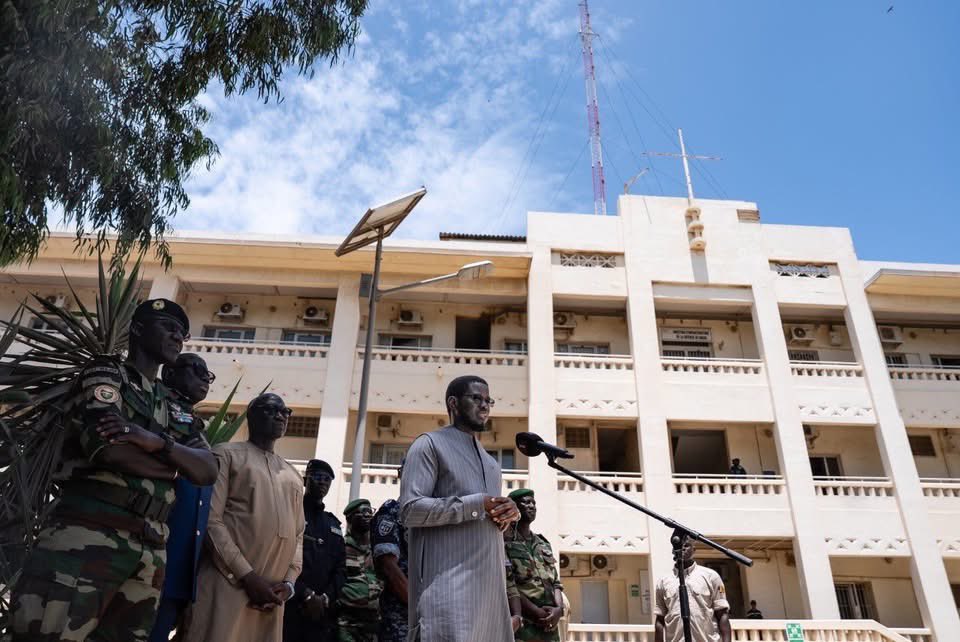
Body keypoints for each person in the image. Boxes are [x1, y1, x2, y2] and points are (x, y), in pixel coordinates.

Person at [11, 299, 218, 642]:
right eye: (167, 327)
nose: (177, 337)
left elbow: (207, 470)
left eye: (182, 332)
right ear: (137, 329)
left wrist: (157, 443)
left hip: (150, 547)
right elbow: (110, 451)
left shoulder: (175, 406)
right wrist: (176, 467)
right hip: (88, 534)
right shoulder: (107, 375)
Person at [400, 374, 521, 642]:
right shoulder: (429, 444)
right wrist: (475, 504)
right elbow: (410, 510)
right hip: (449, 596)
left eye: (488, 400)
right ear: (453, 403)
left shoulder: (492, 464)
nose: (485, 405)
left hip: (490, 599)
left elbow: (488, 516)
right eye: (476, 398)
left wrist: (508, 513)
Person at [182, 393, 305, 642]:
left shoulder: (293, 474)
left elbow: (299, 535)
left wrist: (288, 585)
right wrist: (247, 577)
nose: (281, 415)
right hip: (227, 584)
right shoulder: (226, 455)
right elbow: (211, 521)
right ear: (252, 415)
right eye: (272, 409)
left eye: (285, 411)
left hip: (272, 598)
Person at [149, 354, 217, 642]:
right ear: (170, 374)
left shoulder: (194, 429)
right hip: (146, 560)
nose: (205, 378)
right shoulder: (154, 409)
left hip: (177, 573)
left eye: (208, 374)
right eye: (197, 370)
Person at [284, 459, 347, 642]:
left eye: (327, 479)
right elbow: (280, 559)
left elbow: (341, 569)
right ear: (306, 480)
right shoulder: (291, 513)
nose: (322, 482)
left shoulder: (333, 525)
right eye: (318, 477)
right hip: (292, 607)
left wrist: (325, 598)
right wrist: (306, 595)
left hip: (321, 615)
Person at [504, 488, 565, 642]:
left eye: (534, 503)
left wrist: (559, 610)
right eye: (526, 503)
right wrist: (536, 613)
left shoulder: (543, 544)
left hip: (550, 625)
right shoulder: (505, 543)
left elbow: (556, 583)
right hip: (524, 625)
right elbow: (508, 585)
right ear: (515, 508)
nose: (532, 506)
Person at [654, 529, 731, 642]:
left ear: (694, 550)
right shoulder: (663, 581)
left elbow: (722, 615)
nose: (683, 548)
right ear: (673, 550)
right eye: (679, 546)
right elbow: (660, 620)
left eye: (687, 545)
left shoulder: (711, 576)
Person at [371, 462, 408, 642]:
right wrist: (420, 607)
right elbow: (389, 568)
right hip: (401, 618)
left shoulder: (432, 515)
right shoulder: (391, 512)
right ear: (400, 474)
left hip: (431, 617)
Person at [337, 499, 382, 642]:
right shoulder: (340, 547)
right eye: (363, 511)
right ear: (350, 517)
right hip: (347, 625)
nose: (368, 515)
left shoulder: (377, 550)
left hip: (373, 625)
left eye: (370, 511)